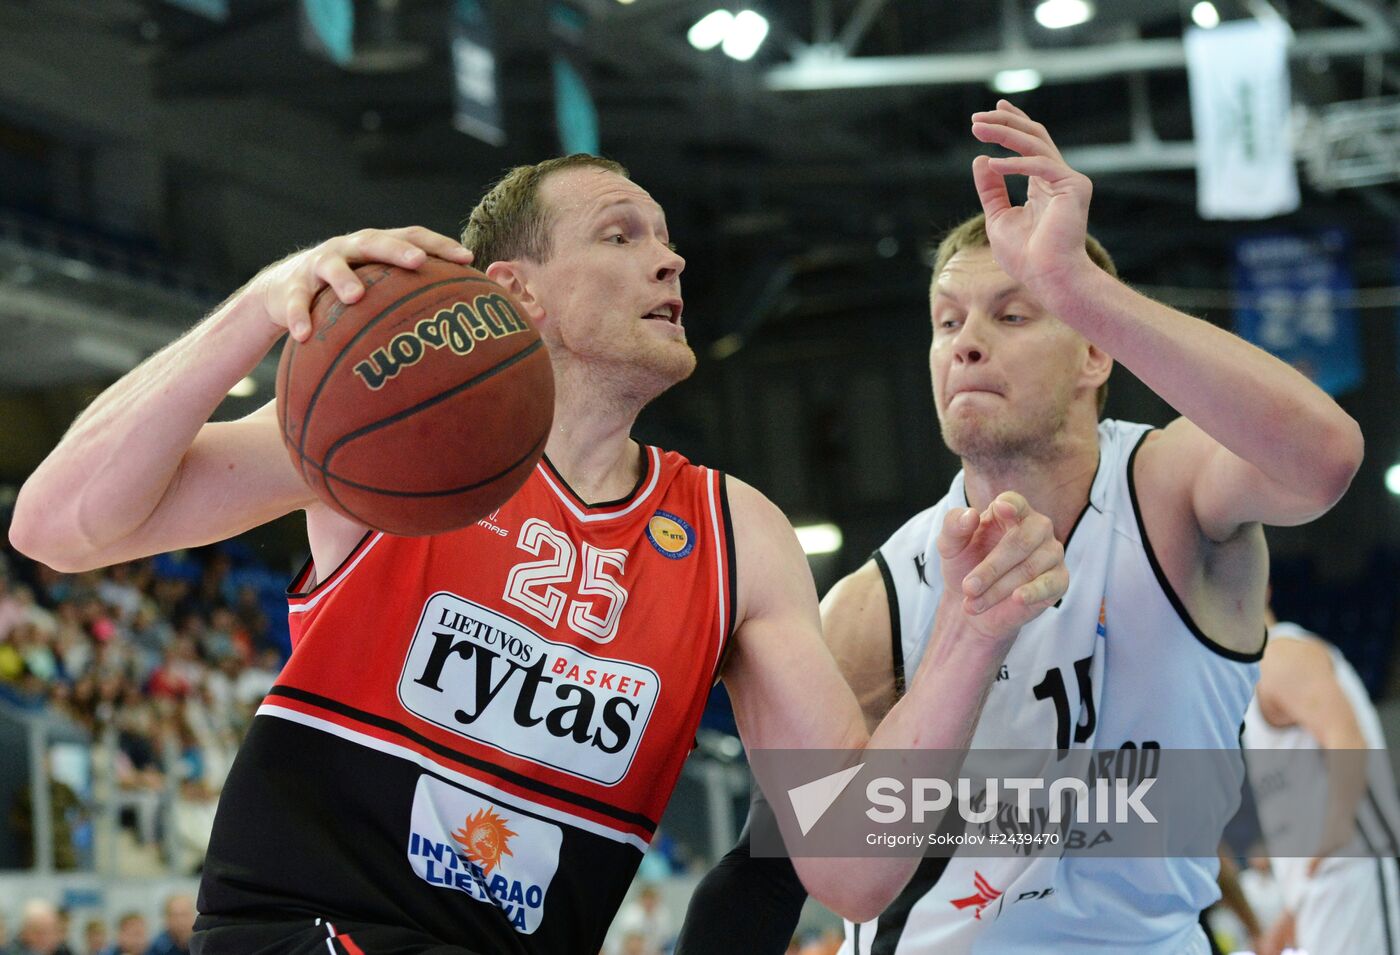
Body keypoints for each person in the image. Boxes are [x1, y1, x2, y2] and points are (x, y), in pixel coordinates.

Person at [10, 156, 1070, 954]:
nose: (670, 257)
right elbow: (56, 524)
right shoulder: (389, 443)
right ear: (516, 290)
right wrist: (259, 307)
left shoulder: (733, 529)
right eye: (620, 235)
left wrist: (970, 634)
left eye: (665, 239)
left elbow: (851, 867)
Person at [675, 100, 1363, 955]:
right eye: (946, 320)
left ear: (1094, 352)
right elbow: (785, 871)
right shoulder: (873, 600)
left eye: (1012, 312)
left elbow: (1325, 456)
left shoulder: (1168, 491)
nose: (965, 343)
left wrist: (1078, 285)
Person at [1243, 609, 1400, 955]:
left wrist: (1340, 824)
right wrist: (1292, 914)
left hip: (1350, 872)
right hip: (1323, 892)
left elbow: (1344, 736)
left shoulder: (1279, 653)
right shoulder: (1251, 683)